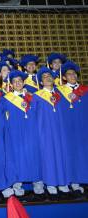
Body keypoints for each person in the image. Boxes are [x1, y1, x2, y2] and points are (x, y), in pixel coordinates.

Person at [2, 70, 44, 200]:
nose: (18, 83)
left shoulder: (33, 97)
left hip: (32, 132)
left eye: (20, 81)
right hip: (15, 133)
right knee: (17, 158)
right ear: (11, 84)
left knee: (34, 156)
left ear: (23, 82)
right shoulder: (6, 99)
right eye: (15, 82)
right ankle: (17, 185)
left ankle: (38, 185)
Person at [31, 67, 70, 199]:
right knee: (48, 157)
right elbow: (33, 117)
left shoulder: (60, 95)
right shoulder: (37, 96)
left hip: (60, 132)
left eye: (49, 76)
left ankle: (63, 182)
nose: (48, 78)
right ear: (41, 82)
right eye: (44, 77)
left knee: (61, 154)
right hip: (45, 132)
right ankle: (51, 184)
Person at [57, 61, 88, 195]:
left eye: (74, 74)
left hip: (83, 127)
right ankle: (72, 182)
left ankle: (82, 180)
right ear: (64, 77)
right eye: (69, 74)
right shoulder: (59, 92)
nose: (72, 76)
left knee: (83, 154)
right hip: (67, 129)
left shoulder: (85, 90)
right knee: (69, 155)